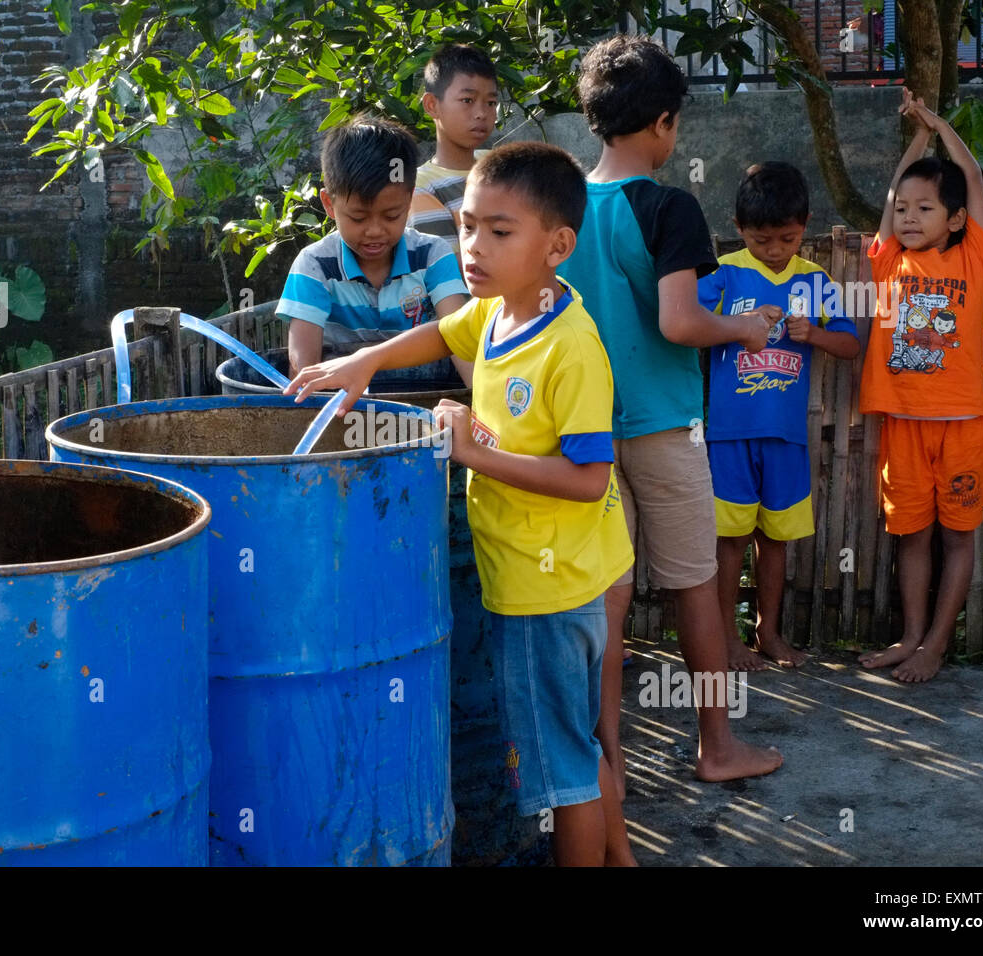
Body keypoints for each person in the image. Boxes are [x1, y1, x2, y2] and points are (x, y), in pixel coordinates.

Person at [286, 142, 637, 866]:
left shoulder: (571, 347)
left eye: (499, 232)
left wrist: (473, 453)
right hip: (531, 577)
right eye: (468, 226)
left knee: (560, 774)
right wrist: (368, 360)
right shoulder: (501, 312)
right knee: (572, 741)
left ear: (558, 246)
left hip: (550, 589)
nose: (473, 247)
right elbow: (444, 331)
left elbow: (588, 479)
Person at [557, 34, 784, 786]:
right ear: (662, 122)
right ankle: (717, 746)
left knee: (607, 601)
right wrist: (745, 328)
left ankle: (607, 763)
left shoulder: (558, 208)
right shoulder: (668, 204)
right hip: (663, 424)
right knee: (694, 586)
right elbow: (681, 323)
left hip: (584, 430)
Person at [858, 88, 983, 683]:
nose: (908, 217)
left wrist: (940, 127)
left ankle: (938, 644)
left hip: (963, 425)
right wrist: (914, 137)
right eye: (903, 209)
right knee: (911, 538)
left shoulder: (974, 259)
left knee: (959, 538)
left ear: (956, 219)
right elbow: (895, 189)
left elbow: (970, 175)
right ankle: (911, 637)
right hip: (903, 425)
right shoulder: (888, 260)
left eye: (925, 209)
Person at [699, 162, 860, 670]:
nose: (774, 249)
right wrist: (737, 324)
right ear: (739, 228)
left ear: (806, 224)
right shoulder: (723, 271)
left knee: (776, 540)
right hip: (729, 433)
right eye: (762, 239)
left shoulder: (816, 280)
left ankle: (769, 633)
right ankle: (726, 638)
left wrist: (814, 334)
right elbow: (690, 325)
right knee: (729, 542)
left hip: (787, 436)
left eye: (786, 238)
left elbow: (852, 343)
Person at [276, 116, 468, 377]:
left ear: (409, 199)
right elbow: (303, 368)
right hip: (342, 408)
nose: (375, 231)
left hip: (425, 400)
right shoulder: (314, 266)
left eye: (391, 216)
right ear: (329, 204)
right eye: (358, 218)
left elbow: (459, 339)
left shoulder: (432, 256)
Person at [408, 43, 499, 261]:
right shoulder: (421, 187)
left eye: (491, 102)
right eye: (467, 100)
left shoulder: (498, 162)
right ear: (432, 105)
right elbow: (449, 274)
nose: (481, 113)